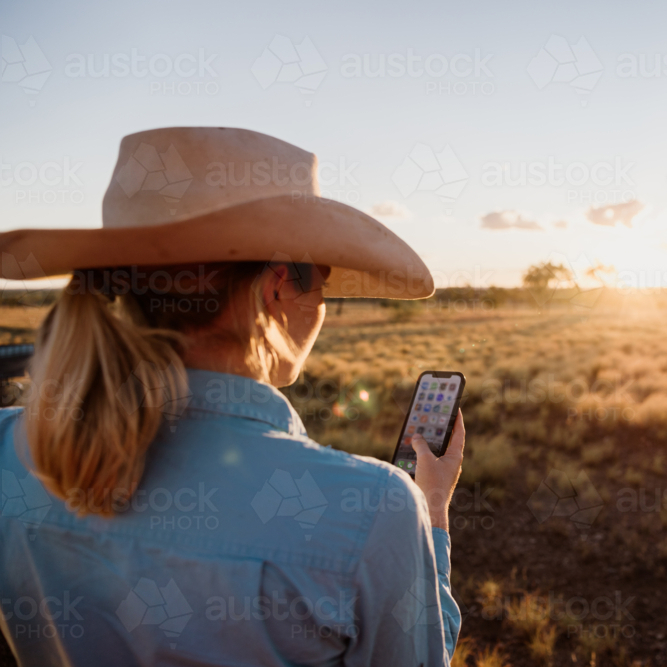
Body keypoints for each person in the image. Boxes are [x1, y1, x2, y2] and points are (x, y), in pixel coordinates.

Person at [0, 127, 461, 666]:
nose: (323, 308)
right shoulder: (371, 509)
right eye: (323, 285)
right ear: (278, 286)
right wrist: (429, 509)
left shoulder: (10, 446)